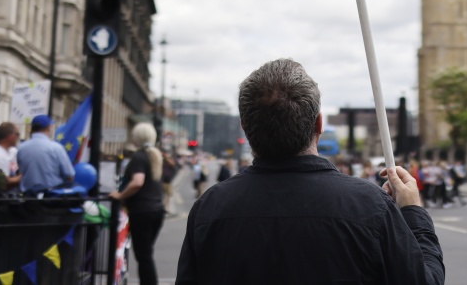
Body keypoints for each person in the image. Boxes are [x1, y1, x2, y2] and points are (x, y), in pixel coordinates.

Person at [175, 58, 444, 284]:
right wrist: (413, 212)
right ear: (318, 124)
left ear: (244, 127)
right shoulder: (370, 206)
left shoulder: (210, 209)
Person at [109, 123, 165, 285]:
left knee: (143, 255)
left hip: (142, 211)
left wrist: (120, 195)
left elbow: (137, 182)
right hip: (156, 210)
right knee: (146, 253)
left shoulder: (139, 156)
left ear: (137, 137)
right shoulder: (155, 155)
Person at [16, 114, 74, 196]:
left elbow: (21, 171)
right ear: (48, 127)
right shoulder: (57, 148)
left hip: (28, 199)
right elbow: (69, 176)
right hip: (51, 198)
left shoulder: (21, 148)